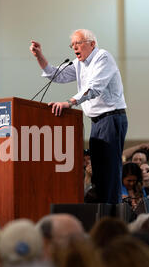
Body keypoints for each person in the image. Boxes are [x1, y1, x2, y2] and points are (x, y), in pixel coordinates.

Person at [30, 28, 128, 204]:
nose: (75, 47)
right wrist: (39, 56)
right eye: (72, 44)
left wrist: (69, 103)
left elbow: (95, 87)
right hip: (97, 122)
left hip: (111, 118)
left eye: (78, 43)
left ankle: (114, 216)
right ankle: (104, 214)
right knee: (99, 173)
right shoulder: (78, 64)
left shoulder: (102, 57)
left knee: (109, 172)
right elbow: (56, 75)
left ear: (92, 44)